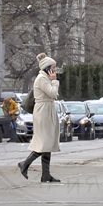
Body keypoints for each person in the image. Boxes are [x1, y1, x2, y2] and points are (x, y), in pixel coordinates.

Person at [17, 53, 61, 182]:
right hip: (43, 112)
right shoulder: (41, 78)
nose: (55, 70)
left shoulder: (45, 78)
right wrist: (55, 81)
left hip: (47, 110)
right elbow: (53, 93)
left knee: (48, 143)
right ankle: (24, 163)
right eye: (53, 67)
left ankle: (45, 175)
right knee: (44, 142)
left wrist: (52, 80)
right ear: (47, 67)